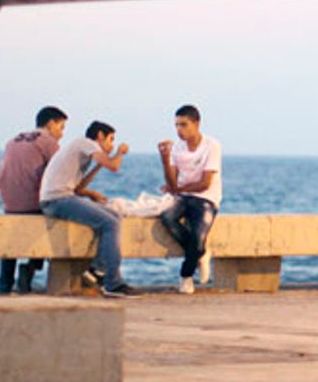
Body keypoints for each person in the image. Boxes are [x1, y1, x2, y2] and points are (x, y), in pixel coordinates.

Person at [38, 120, 141, 298]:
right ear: (100, 136)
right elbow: (114, 166)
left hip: (60, 198)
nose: (112, 144)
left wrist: (93, 182)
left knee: (115, 216)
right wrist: (120, 152)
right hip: (56, 200)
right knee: (109, 223)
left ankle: (97, 270)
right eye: (111, 139)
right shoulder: (85, 143)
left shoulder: (83, 151)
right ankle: (112, 282)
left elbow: (78, 187)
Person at [0, 105, 65, 293]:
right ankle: (29, 270)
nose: (62, 134)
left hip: (9, 204)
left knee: (11, 242)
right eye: (61, 127)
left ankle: (5, 282)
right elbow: (60, 174)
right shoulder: (48, 142)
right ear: (50, 124)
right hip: (33, 205)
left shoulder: (13, 140)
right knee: (54, 218)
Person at [156, 104, 223, 294]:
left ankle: (186, 276)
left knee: (197, 235)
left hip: (206, 198)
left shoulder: (212, 145)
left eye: (184, 125)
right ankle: (200, 253)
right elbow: (171, 181)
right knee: (167, 217)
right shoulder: (177, 147)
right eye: (176, 125)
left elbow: (205, 183)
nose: (179, 130)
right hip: (183, 196)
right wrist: (164, 159)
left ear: (196, 123)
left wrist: (176, 188)